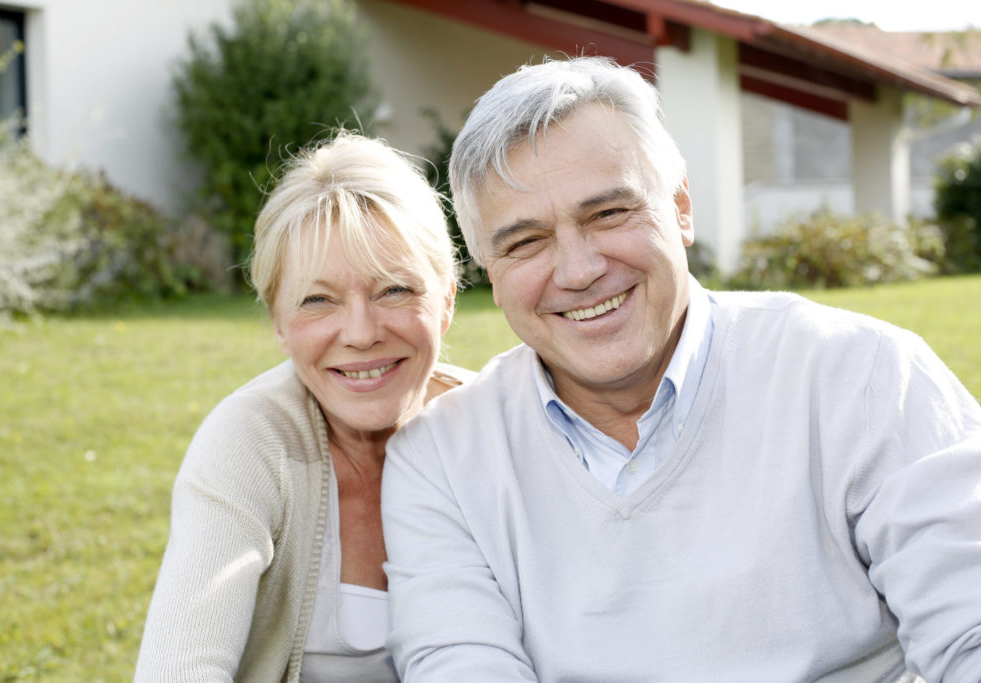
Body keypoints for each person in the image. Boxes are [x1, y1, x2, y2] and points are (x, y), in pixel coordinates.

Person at [381, 56, 981, 682]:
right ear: (490, 273)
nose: (580, 270)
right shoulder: (442, 460)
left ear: (682, 209)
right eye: (525, 241)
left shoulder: (863, 377)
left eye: (608, 214)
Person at [135, 132, 471, 681]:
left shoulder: (499, 430)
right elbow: (179, 667)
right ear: (278, 324)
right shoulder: (249, 442)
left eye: (394, 290)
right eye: (318, 300)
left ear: (448, 300)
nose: (361, 334)